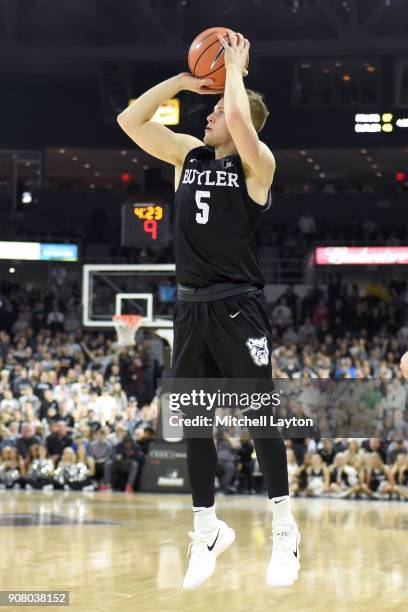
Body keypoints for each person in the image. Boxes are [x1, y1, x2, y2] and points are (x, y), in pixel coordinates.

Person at [118, 28, 299, 590]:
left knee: (258, 415)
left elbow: (243, 125)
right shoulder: (186, 155)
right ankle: (206, 529)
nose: (209, 116)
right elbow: (131, 122)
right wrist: (186, 80)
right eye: (211, 108)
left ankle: (285, 528)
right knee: (194, 424)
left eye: (216, 109)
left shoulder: (257, 163)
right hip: (191, 308)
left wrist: (235, 74)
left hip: (237, 305)